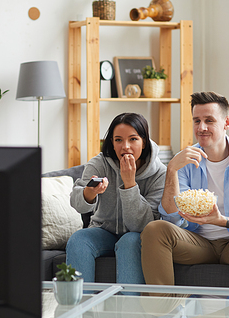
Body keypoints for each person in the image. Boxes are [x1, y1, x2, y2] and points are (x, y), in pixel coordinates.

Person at [140, 91, 229, 289]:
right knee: (154, 229)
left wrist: (222, 221)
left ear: (226, 123)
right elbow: (172, 217)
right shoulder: (184, 161)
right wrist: (171, 169)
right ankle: (165, 314)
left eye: (209, 120)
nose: (201, 127)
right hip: (199, 243)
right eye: (197, 120)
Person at [67, 112, 166, 286]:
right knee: (79, 238)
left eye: (133, 139)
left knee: (130, 241)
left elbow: (143, 225)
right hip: (103, 231)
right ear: (112, 143)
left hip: (137, 235)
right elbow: (77, 202)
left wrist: (130, 184)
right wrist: (89, 193)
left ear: (144, 142)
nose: (125, 146)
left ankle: (128, 311)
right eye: (118, 140)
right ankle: (81, 311)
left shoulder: (160, 173)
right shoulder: (100, 163)